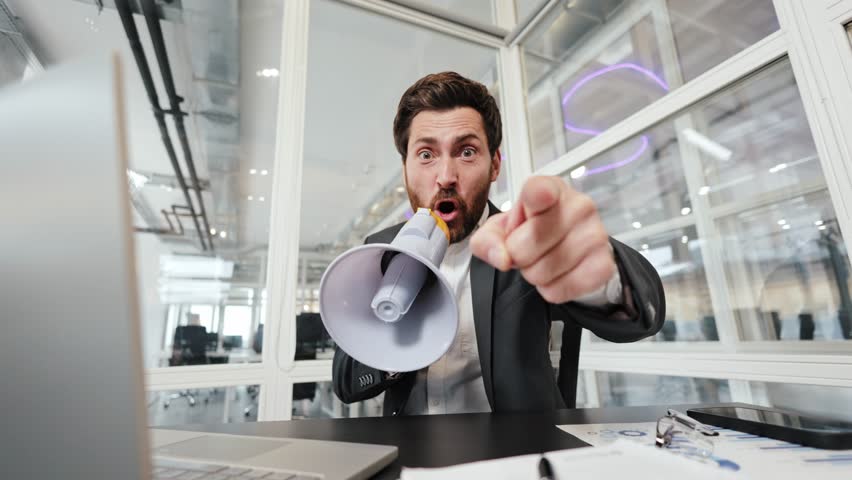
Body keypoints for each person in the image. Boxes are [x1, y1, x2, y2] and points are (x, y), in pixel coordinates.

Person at [333, 72, 665, 415]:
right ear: (405, 168)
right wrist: (395, 347)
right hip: (414, 459)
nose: (445, 176)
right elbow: (345, 382)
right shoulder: (379, 250)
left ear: (494, 165)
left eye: (466, 151)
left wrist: (603, 279)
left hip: (516, 457)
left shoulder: (526, 242)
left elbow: (642, 318)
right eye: (426, 154)